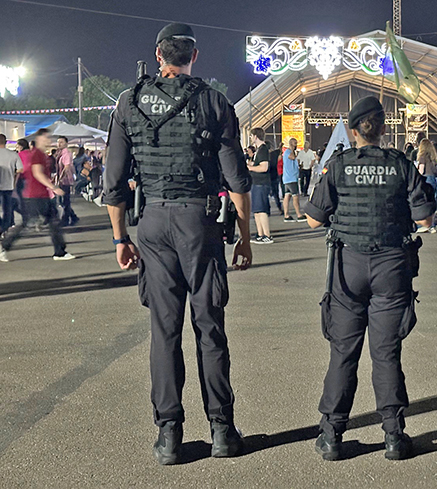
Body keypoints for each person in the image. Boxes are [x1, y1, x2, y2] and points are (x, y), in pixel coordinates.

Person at [102, 23, 253, 465]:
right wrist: (244, 238)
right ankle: (222, 430)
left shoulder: (128, 103)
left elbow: (114, 184)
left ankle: (169, 434)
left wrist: (120, 238)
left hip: (152, 223)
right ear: (194, 56)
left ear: (157, 55)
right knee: (209, 327)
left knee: (164, 332)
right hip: (199, 222)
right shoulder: (213, 101)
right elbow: (238, 180)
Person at [305, 96, 436, 462]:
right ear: (381, 128)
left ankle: (331, 435)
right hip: (392, 265)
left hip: (348, 266)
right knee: (386, 353)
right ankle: (394, 436)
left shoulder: (339, 166)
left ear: (353, 130)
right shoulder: (401, 165)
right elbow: (425, 219)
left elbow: (314, 220)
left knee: (343, 352)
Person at [1, 130, 74, 262]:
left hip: (37, 194)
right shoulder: (37, 154)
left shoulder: (38, 154)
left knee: (50, 221)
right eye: (46, 138)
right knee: (33, 223)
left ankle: (59, 251)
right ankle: (5, 246)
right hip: (35, 195)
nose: (49, 140)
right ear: (39, 139)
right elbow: (37, 173)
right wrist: (54, 187)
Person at [247, 128, 274, 244]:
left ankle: (267, 235)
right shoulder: (259, 150)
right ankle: (260, 234)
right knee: (257, 210)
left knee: (261, 210)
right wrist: (251, 163)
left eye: (251, 136)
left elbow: (264, 167)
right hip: (256, 183)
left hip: (261, 183)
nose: (250, 138)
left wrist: (250, 168)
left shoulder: (262, 150)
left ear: (255, 136)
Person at [0, 134, 23, 236]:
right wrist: (14, 180)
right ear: (6, 142)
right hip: (8, 186)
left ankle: (1, 227)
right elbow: (20, 169)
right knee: (7, 210)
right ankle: (4, 229)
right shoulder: (13, 154)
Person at [415, 139, 437, 233]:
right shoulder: (434, 157)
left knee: (423, 203)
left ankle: (423, 224)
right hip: (433, 179)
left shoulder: (422, 156)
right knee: (431, 201)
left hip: (425, 179)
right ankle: (432, 225)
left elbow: (421, 170)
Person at [55, 137, 79, 226]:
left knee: (64, 200)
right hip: (62, 180)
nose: (59, 144)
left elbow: (67, 167)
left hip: (65, 180)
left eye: (61, 142)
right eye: (58, 142)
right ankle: (73, 217)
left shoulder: (66, 154)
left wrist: (60, 178)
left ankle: (66, 219)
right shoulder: (60, 153)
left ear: (66, 143)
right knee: (64, 200)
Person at [282, 138, 305, 222]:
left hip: (289, 178)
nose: (296, 145)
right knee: (295, 196)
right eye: (294, 143)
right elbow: (292, 157)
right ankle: (299, 214)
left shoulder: (290, 152)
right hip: (291, 178)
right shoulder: (288, 152)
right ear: (290, 143)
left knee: (287, 196)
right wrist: (292, 149)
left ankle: (286, 215)